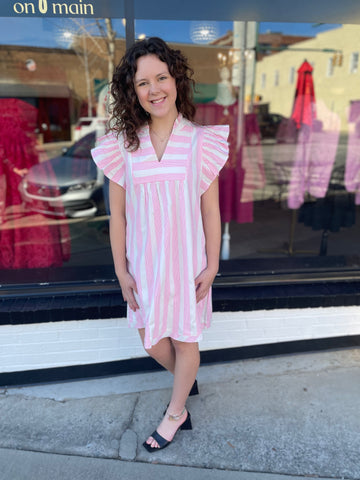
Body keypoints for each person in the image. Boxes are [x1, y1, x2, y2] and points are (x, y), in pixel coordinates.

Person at [91, 37, 229, 452]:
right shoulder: (123, 144)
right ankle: (185, 383)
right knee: (151, 341)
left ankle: (175, 412)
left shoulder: (201, 141)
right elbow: (119, 216)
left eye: (161, 77)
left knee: (187, 341)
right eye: (142, 83)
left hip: (188, 263)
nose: (154, 89)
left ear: (175, 79)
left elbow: (211, 211)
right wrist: (121, 271)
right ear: (132, 92)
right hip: (146, 266)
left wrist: (212, 266)